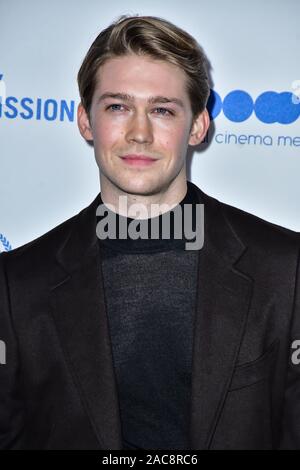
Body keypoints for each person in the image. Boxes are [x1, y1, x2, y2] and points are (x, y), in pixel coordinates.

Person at [0, 14, 299, 450]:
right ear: (86, 120)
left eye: (162, 110)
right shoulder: (17, 283)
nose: (139, 133)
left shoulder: (284, 270)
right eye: (118, 107)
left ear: (197, 125)